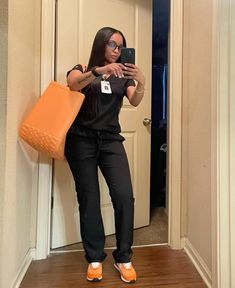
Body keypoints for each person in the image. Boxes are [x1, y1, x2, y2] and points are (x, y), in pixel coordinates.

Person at [65, 26, 145, 283]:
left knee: (124, 196)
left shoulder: (124, 77)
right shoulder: (83, 69)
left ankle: (124, 257)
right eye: (112, 44)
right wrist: (99, 71)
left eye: (120, 46)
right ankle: (95, 258)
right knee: (89, 198)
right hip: (82, 141)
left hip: (111, 141)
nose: (116, 50)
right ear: (100, 44)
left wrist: (140, 81)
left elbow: (135, 101)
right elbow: (72, 84)